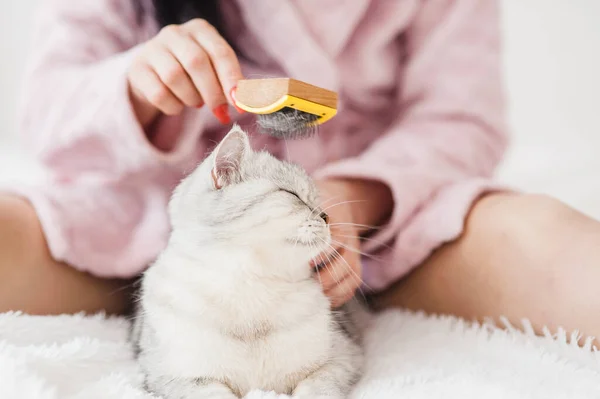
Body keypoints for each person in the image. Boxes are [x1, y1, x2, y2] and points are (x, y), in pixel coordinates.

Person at [2, 0, 599, 340]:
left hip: (377, 228)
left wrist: (349, 202)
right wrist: (137, 88)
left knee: (546, 240)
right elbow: (47, 117)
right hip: (150, 217)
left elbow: (462, 120)